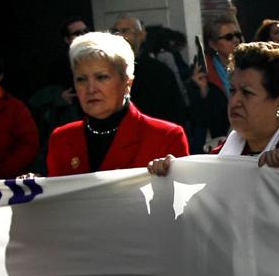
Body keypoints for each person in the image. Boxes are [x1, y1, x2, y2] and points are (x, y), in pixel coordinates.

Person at [149, 41, 279, 173]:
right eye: (232, 91)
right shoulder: (218, 157)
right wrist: (170, 176)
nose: (235, 101)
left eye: (247, 92)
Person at [46, 32, 188, 176]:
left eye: (101, 77)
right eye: (81, 79)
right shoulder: (61, 139)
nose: (90, 89)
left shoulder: (166, 137)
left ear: (127, 83)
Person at [111, 15, 189, 128]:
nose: (119, 36)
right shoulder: (107, 70)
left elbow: (174, 112)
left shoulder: (159, 72)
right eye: (115, 32)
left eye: (125, 31)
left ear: (141, 35)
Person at [192, 13, 241, 151]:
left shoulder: (248, 66)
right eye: (229, 37)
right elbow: (199, 119)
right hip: (220, 144)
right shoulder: (203, 73)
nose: (236, 40)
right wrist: (203, 91)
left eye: (237, 35)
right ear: (213, 44)